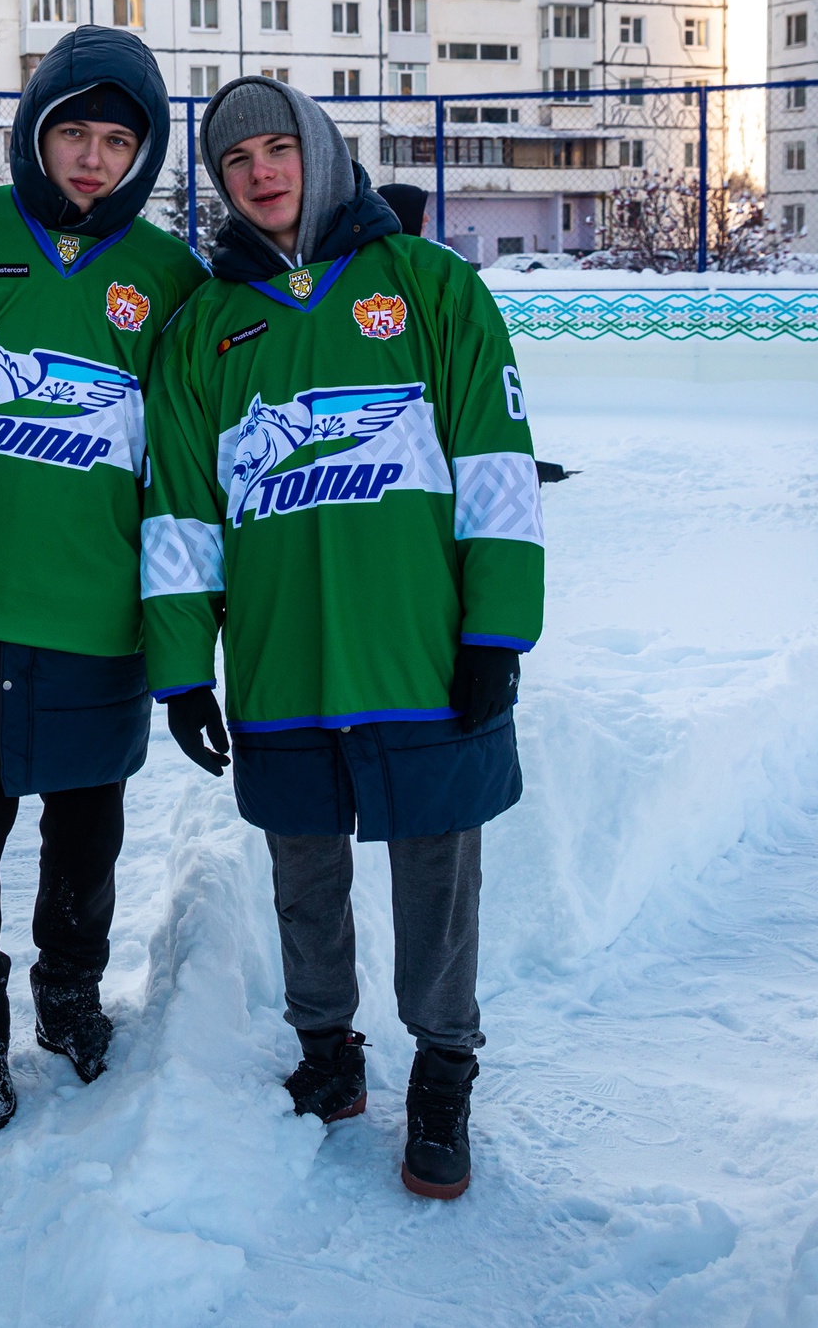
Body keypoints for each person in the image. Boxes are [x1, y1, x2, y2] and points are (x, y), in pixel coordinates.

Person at [140, 77, 544, 1202]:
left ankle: (442, 1075)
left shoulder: (430, 286)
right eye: (236, 162)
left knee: (436, 872)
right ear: (217, 185)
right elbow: (177, 510)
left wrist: (497, 628)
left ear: (318, 151)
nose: (261, 173)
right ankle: (329, 1054)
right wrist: (182, 669)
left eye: (278, 148)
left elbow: (497, 464)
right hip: (281, 659)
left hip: (420, 652)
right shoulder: (203, 331)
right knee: (302, 868)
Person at [0, 26, 206, 1130]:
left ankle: (66, 992)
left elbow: (186, 471)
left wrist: (183, 643)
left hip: (94, 618)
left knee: (86, 830)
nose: (93, 158)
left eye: (120, 139)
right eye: (74, 131)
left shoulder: (169, 278)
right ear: (33, 131)